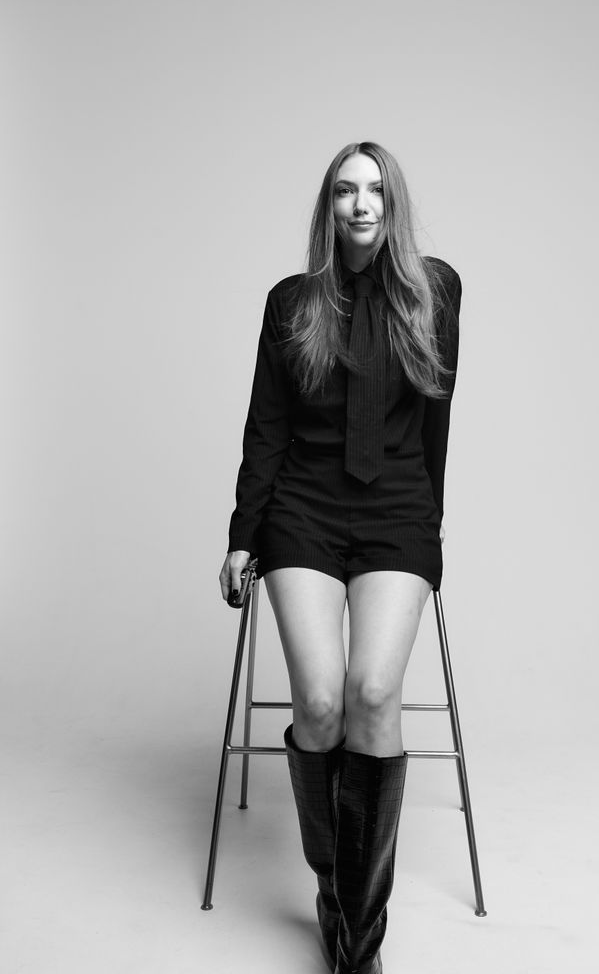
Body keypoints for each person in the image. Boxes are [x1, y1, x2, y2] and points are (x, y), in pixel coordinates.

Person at [219, 141, 462, 974]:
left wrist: (428, 531)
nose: (362, 205)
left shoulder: (435, 292)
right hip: (304, 510)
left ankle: (361, 939)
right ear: (328, 207)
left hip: (395, 509)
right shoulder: (293, 303)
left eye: (376, 191)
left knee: (373, 694)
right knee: (321, 704)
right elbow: (266, 427)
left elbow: (437, 420)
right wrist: (243, 533)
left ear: (395, 204)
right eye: (345, 191)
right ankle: (337, 890)